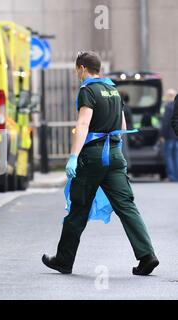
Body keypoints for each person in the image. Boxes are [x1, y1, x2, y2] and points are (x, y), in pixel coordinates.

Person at [42, 51, 159, 276]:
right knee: (126, 206)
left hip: (93, 156)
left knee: (78, 208)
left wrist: (74, 155)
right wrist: (115, 150)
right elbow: (122, 125)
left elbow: (83, 123)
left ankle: (64, 260)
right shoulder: (113, 89)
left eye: (77, 69)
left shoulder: (89, 90)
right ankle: (147, 256)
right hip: (115, 154)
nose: (77, 73)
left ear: (83, 68)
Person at [160, 90, 178, 182]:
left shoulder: (168, 107)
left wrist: (162, 135)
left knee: (169, 156)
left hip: (170, 136)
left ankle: (172, 176)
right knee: (176, 156)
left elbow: (166, 122)